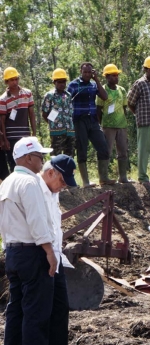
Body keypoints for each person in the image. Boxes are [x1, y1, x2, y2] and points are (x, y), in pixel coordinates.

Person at [0, 136, 57, 345]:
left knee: (15, 309)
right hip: (32, 252)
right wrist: (49, 251)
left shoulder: (6, 182)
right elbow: (37, 220)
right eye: (39, 155)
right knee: (36, 313)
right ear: (28, 158)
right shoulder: (30, 182)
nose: (42, 159)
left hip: (13, 252)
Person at [39, 154, 78, 345]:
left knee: (61, 308)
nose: (64, 186)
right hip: (41, 259)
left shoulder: (54, 193)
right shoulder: (36, 191)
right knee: (42, 312)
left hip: (57, 257)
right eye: (62, 181)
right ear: (50, 172)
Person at [67, 62, 115, 187]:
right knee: (82, 149)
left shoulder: (94, 85)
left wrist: (97, 80)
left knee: (103, 146)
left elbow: (105, 96)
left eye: (89, 72)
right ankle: (85, 181)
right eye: (85, 72)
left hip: (92, 120)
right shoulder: (73, 85)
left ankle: (103, 178)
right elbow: (66, 102)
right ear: (81, 72)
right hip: (79, 120)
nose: (87, 74)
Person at [127, 56, 150, 184]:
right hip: (145, 122)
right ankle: (142, 176)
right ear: (145, 69)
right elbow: (130, 101)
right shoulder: (140, 83)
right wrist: (137, 114)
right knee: (143, 150)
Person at [0, 67, 37, 180]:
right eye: (11, 80)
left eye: (16, 79)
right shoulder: (3, 99)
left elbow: (31, 114)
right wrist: (4, 139)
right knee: (14, 163)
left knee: (29, 161)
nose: (14, 82)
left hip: (25, 135)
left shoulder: (27, 94)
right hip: (11, 137)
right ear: (6, 82)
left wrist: (34, 134)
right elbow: (2, 120)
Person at [96, 64, 131, 183]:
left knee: (123, 151)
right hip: (108, 126)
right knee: (106, 151)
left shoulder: (122, 90)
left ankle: (123, 176)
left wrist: (124, 122)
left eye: (117, 75)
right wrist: (101, 124)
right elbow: (98, 109)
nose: (116, 77)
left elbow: (124, 107)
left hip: (121, 125)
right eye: (113, 75)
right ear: (107, 77)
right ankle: (103, 177)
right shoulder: (102, 90)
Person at [41, 68, 75, 157]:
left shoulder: (68, 95)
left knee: (69, 156)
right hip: (56, 131)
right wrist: (53, 124)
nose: (62, 84)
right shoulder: (50, 96)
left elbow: (71, 112)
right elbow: (44, 113)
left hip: (70, 130)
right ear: (54, 82)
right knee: (56, 156)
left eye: (63, 81)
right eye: (59, 82)